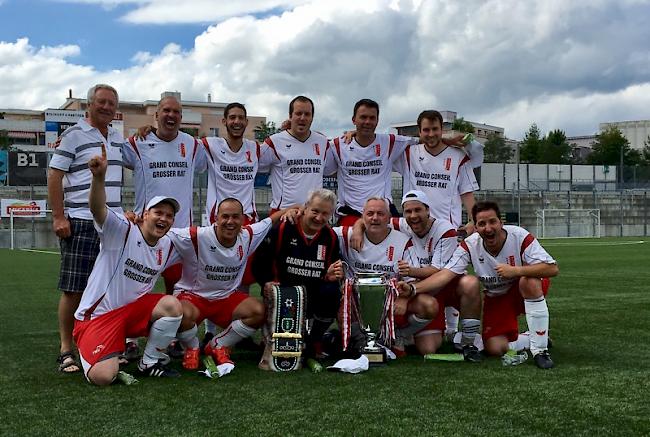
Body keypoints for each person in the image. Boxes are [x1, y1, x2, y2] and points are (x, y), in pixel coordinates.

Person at [403, 201, 558, 369]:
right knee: (494, 347)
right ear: (475, 228)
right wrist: (413, 289)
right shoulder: (470, 245)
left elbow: (552, 268)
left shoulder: (519, 236)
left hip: (522, 288)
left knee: (529, 280)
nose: (488, 228)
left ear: (501, 222)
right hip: (496, 296)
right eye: (482, 224)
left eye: (492, 222)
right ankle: (529, 338)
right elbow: (445, 275)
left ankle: (540, 350)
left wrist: (516, 271)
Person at [73, 148, 183, 385]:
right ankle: (103, 351)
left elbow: (203, 238)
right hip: (98, 317)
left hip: (131, 313)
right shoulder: (121, 230)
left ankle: (150, 361)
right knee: (103, 377)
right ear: (145, 214)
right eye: (158, 212)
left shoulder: (169, 244)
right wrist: (99, 178)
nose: (163, 218)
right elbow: (97, 209)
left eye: (169, 215)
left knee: (172, 305)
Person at [351, 190, 482, 360]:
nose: (413, 216)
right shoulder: (402, 224)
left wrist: (411, 277)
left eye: (418, 210)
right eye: (408, 211)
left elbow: (437, 271)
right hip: (422, 288)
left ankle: (468, 342)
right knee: (428, 349)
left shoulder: (445, 230)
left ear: (428, 210)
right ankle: (399, 334)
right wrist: (356, 229)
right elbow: (373, 219)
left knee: (470, 283)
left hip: (445, 283)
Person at [48, 84, 124, 374]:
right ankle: (66, 348)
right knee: (74, 288)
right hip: (80, 219)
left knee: (110, 288)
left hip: (113, 222)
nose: (107, 107)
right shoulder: (73, 135)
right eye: (101, 102)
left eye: (111, 104)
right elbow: (55, 176)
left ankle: (104, 344)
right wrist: (58, 217)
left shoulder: (117, 137)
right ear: (89, 105)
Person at [122, 95, 205, 359]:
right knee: (135, 288)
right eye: (166, 111)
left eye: (176, 112)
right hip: (145, 232)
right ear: (156, 115)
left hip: (179, 234)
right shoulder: (138, 142)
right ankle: (129, 339)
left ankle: (170, 340)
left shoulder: (193, 145)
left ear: (182, 117)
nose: (171, 116)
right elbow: (110, 154)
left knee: (177, 292)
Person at [168, 199, 294, 372]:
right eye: (225, 216)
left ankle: (218, 345)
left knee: (259, 311)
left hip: (226, 298)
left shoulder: (248, 235)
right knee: (179, 312)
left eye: (235, 217)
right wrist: (136, 220)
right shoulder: (197, 236)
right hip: (193, 297)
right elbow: (164, 231)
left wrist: (296, 209)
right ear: (216, 219)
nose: (230, 221)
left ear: (243, 219)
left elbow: (271, 220)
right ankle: (192, 347)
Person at [393, 109, 482, 339]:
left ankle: (452, 330)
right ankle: (419, 327)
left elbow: (467, 192)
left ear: (442, 130)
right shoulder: (409, 154)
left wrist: (473, 221)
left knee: (449, 276)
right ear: (419, 131)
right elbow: (379, 146)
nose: (431, 134)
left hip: (448, 230)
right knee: (418, 275)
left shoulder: (457, 156)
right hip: (415, 228)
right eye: (426, 130)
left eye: (435, 129)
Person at [334, 197, 437, 355]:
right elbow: (318, 232)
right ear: (362, 217)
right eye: (370, 214)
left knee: (429, 305)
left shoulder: (402, 241)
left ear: (389, 218)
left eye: (380, 214)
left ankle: (398, 335)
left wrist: (404, 298)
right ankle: (359, 341)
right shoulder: (346, 235)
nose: (375, 218)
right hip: (356, 300)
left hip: (390, 300)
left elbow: (412, 277)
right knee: (339, 303)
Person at [253, 189, 344, 364]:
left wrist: (332, 275)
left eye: (325, 213)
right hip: (283, 296)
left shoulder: (330, 237)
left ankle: (315, 340)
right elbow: (259, 263)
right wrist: (266, 283)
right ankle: (273, 337)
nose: (319, 218)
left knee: (332, 291)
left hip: (312, 295)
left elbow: (332, 270)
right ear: (306, 207)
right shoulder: (283, 228)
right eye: (315, 211)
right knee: (282, 348)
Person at [328, 99, 418, 225]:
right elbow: (316, 143)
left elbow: (426, 139)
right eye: (363, 117)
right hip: (351, 213)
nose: (367, 122)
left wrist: (451, 141)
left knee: (406, 237)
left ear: (377, 121)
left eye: (372, 118)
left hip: (383, 211)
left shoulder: (389, 142)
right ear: (353, 120)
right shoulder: (338, 145)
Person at [259, 96, 336, 213]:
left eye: (307, 114)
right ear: (290, 116)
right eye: (298, 113)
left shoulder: (323, 142)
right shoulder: (274, 142)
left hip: (314, 213)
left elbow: (329, 170)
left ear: (312, 117)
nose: (302, 118)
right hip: (283, 212)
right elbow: (253, 165)